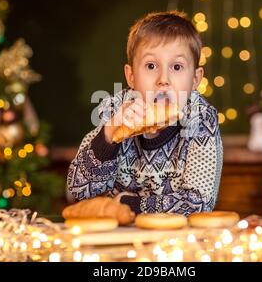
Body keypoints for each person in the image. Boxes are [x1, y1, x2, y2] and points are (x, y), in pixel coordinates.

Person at [66, 11, 223, 216]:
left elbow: (198, 203)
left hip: (177, 240)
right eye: (151, 66)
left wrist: (127, 205)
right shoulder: (116, 113)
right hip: (118, 238)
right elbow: (78, 192)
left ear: (195, 79)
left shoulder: (201, 122)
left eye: (176, 67)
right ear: (131, 76)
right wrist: (108, 136)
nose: (163, 79)